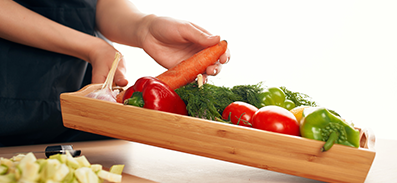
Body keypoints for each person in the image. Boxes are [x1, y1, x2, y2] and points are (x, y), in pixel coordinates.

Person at [0, 0, 230, 146]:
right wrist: (92, 47)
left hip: (87, 119)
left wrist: (144, 27)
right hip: (10, 106)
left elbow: (99, 3)